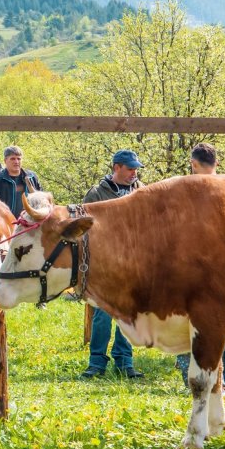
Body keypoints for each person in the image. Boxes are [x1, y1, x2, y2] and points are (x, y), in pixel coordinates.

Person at [175, 144, 225, 389]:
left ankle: (191, 378)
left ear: (193, 164)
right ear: (216, 164)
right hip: (224, 267)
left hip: (193, 266)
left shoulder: (187, 190)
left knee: (190, 325)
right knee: (222, 326)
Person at [80, 150, 144, 379]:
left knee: (128, 316)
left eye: (136, 169)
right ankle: (96, 363)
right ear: (116, 167)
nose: (134, 173)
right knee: (102, 316)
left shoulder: (140, 191)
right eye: (130, 169)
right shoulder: (97, 194)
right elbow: (84, 230)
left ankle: (124, 361)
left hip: (132, 264)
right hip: (104, 266)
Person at [0, 145, 41, 217]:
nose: (16, 162)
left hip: (29, 223)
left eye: (19, 159)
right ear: (5, 161)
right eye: (12, 159)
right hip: (6, 224)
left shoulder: (32, 177)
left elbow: (42, 199)